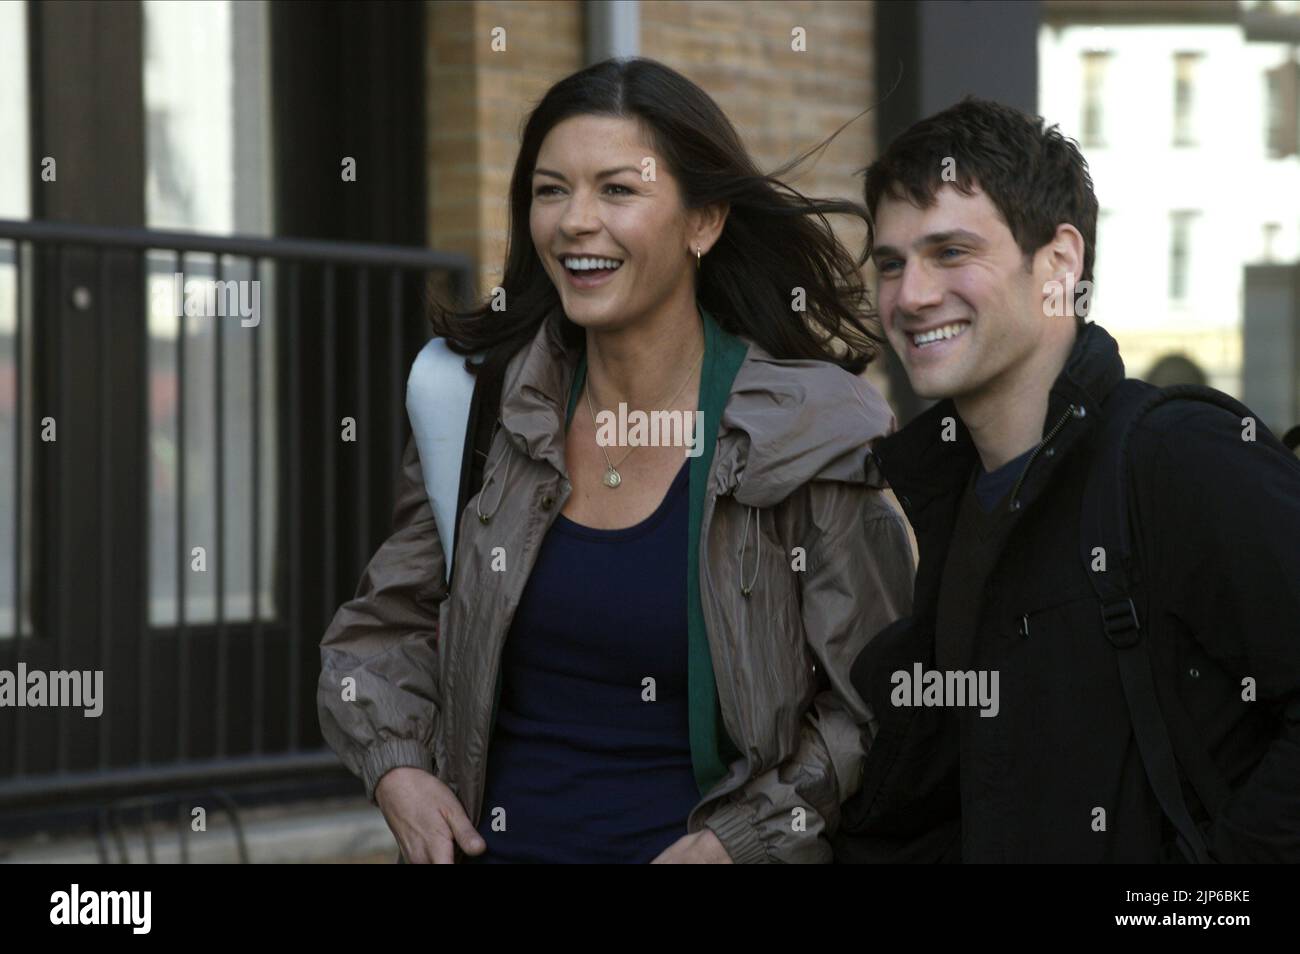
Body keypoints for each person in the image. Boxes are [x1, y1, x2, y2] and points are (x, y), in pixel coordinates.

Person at [317, 57, 915, 863]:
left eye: (618, 190)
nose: (573, 221)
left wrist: (740, 840)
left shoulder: (809, 433)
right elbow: (381, 633)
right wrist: (397, 772)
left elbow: (872, 706)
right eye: (550, 189)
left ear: (703, 222)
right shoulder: (489, 411)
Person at [833, 97, 1300, 863]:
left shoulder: (1177, 459)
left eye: (950, 252)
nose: (910, 296)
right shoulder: (952, 493)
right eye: (891, 263)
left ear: (1058, 265)